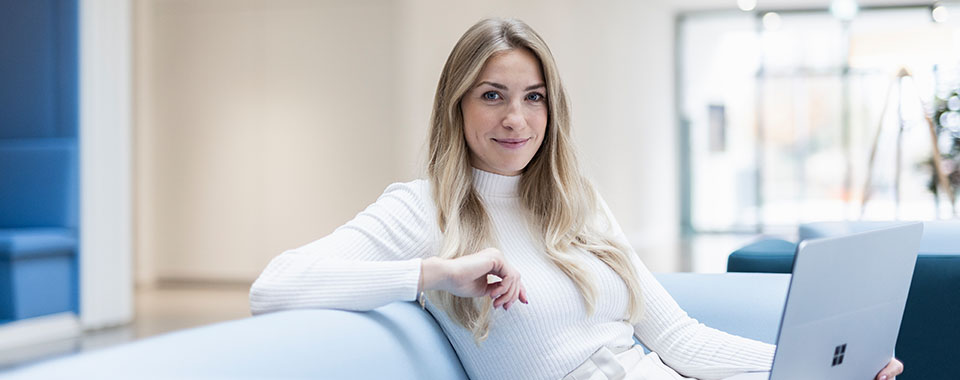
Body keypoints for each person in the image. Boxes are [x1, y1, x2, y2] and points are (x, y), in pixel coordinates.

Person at [249, 17, 903, 380]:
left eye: (533, 97)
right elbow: (274, 287)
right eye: (493, 95)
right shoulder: (423, 210)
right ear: (457, 105)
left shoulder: (575, 201)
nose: (516, 120)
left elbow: (680, 338)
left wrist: (817, 369)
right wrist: (438, 272)